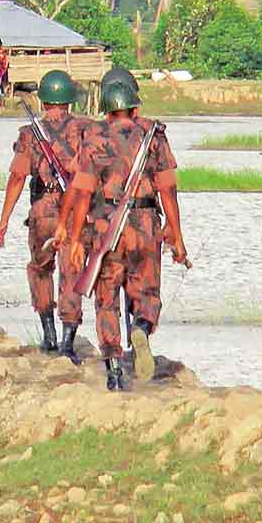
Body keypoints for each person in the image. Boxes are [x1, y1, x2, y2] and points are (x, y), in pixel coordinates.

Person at [55, 83, 188, 392]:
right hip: (145, 224)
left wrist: (75, 240)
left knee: (106, 299)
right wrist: (177, 235)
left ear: (106, 111)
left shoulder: (96, 139)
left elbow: (83, 192)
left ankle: (114, 370)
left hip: (107, 227)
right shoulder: (154, 136)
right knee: (147, 291)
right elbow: (167, 189)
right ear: (135, 109)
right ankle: (141, 327)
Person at [0, 71, 89, 360]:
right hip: (76, 212)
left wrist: (4, 220)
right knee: (72, 272)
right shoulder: (88, 129)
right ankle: (68, 342)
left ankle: (48, 334)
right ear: (70, 100)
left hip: (42, 211)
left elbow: (17, 177)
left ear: (43, 99)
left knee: (40, 269)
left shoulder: (28, 134)